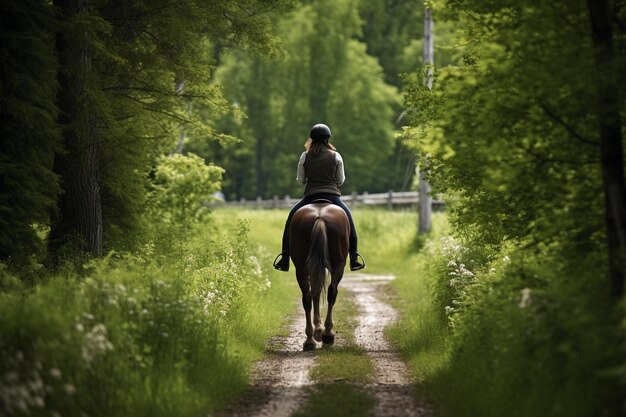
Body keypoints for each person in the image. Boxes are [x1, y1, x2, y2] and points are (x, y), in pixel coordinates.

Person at [273, 123, 365, 272]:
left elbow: (301, 180)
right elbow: (340, 181)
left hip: (310, 197)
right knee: (349, 220)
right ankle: (354, 257)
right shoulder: (336, 156)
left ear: (312, 139)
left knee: (290, 221)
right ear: (327, 139)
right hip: (333, 197)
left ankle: (284, 257)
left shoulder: (305, 156)